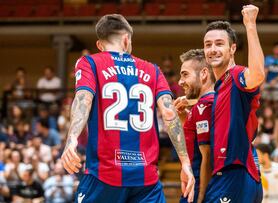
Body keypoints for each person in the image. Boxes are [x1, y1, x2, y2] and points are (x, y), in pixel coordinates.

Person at [61, 14, 195, 203]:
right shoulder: (153, 70)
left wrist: (72, 139)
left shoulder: (89, 63)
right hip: (145, 180)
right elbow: (169, 113)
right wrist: (185, 163)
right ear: (126, 39)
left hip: (104, 175)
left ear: (99, 45)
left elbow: (83, 100)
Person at [202, 5, 265, 202]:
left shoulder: (236, 75)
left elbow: (257, 74)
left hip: (234, 172)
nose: (212, 49)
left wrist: (250, 25)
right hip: (235, 173)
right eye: (208, 44)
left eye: (219, 44)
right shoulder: (220, 87)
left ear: (232, 48)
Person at [174, 49, 214, 203]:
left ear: (203, 74)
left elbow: (207, 155)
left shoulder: (205, 105)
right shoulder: (200, 106)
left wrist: (201, 196)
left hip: (198, 186)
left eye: (185, 74)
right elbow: (193, 142)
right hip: (194, 183)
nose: (180, 81)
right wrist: (185, 118)